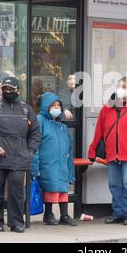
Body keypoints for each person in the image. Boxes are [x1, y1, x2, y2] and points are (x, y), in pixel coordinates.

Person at [0, 76, 41, 233]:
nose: (7, 91)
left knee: (17, 193)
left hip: (19, 157)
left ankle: (16, 222)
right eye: (4, 89)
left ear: (18, 90)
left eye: (10, 89)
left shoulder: (26, 109)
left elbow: (35, 133)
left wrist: (30, 151)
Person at [88, 77, 127, 225]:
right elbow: (99, 131)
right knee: (114, 185)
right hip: (112, 155)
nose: (121, 90)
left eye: (125, 87)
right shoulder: (107, 108)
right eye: (119, 86)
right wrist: (92, 151)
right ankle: (117, 213)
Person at [31, 92, 77, 226]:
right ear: (46, 106)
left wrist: (70, 168)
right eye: (53, 105)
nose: (56, 108)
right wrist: (35, 165)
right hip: (47, 163)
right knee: (50, 188)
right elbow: (35, 144)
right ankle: (48, 214)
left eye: (58, 105)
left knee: (63, 188)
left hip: (61, 163)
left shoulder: (62, 126)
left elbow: (69, 149)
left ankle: (64, 215)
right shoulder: (40, 120)